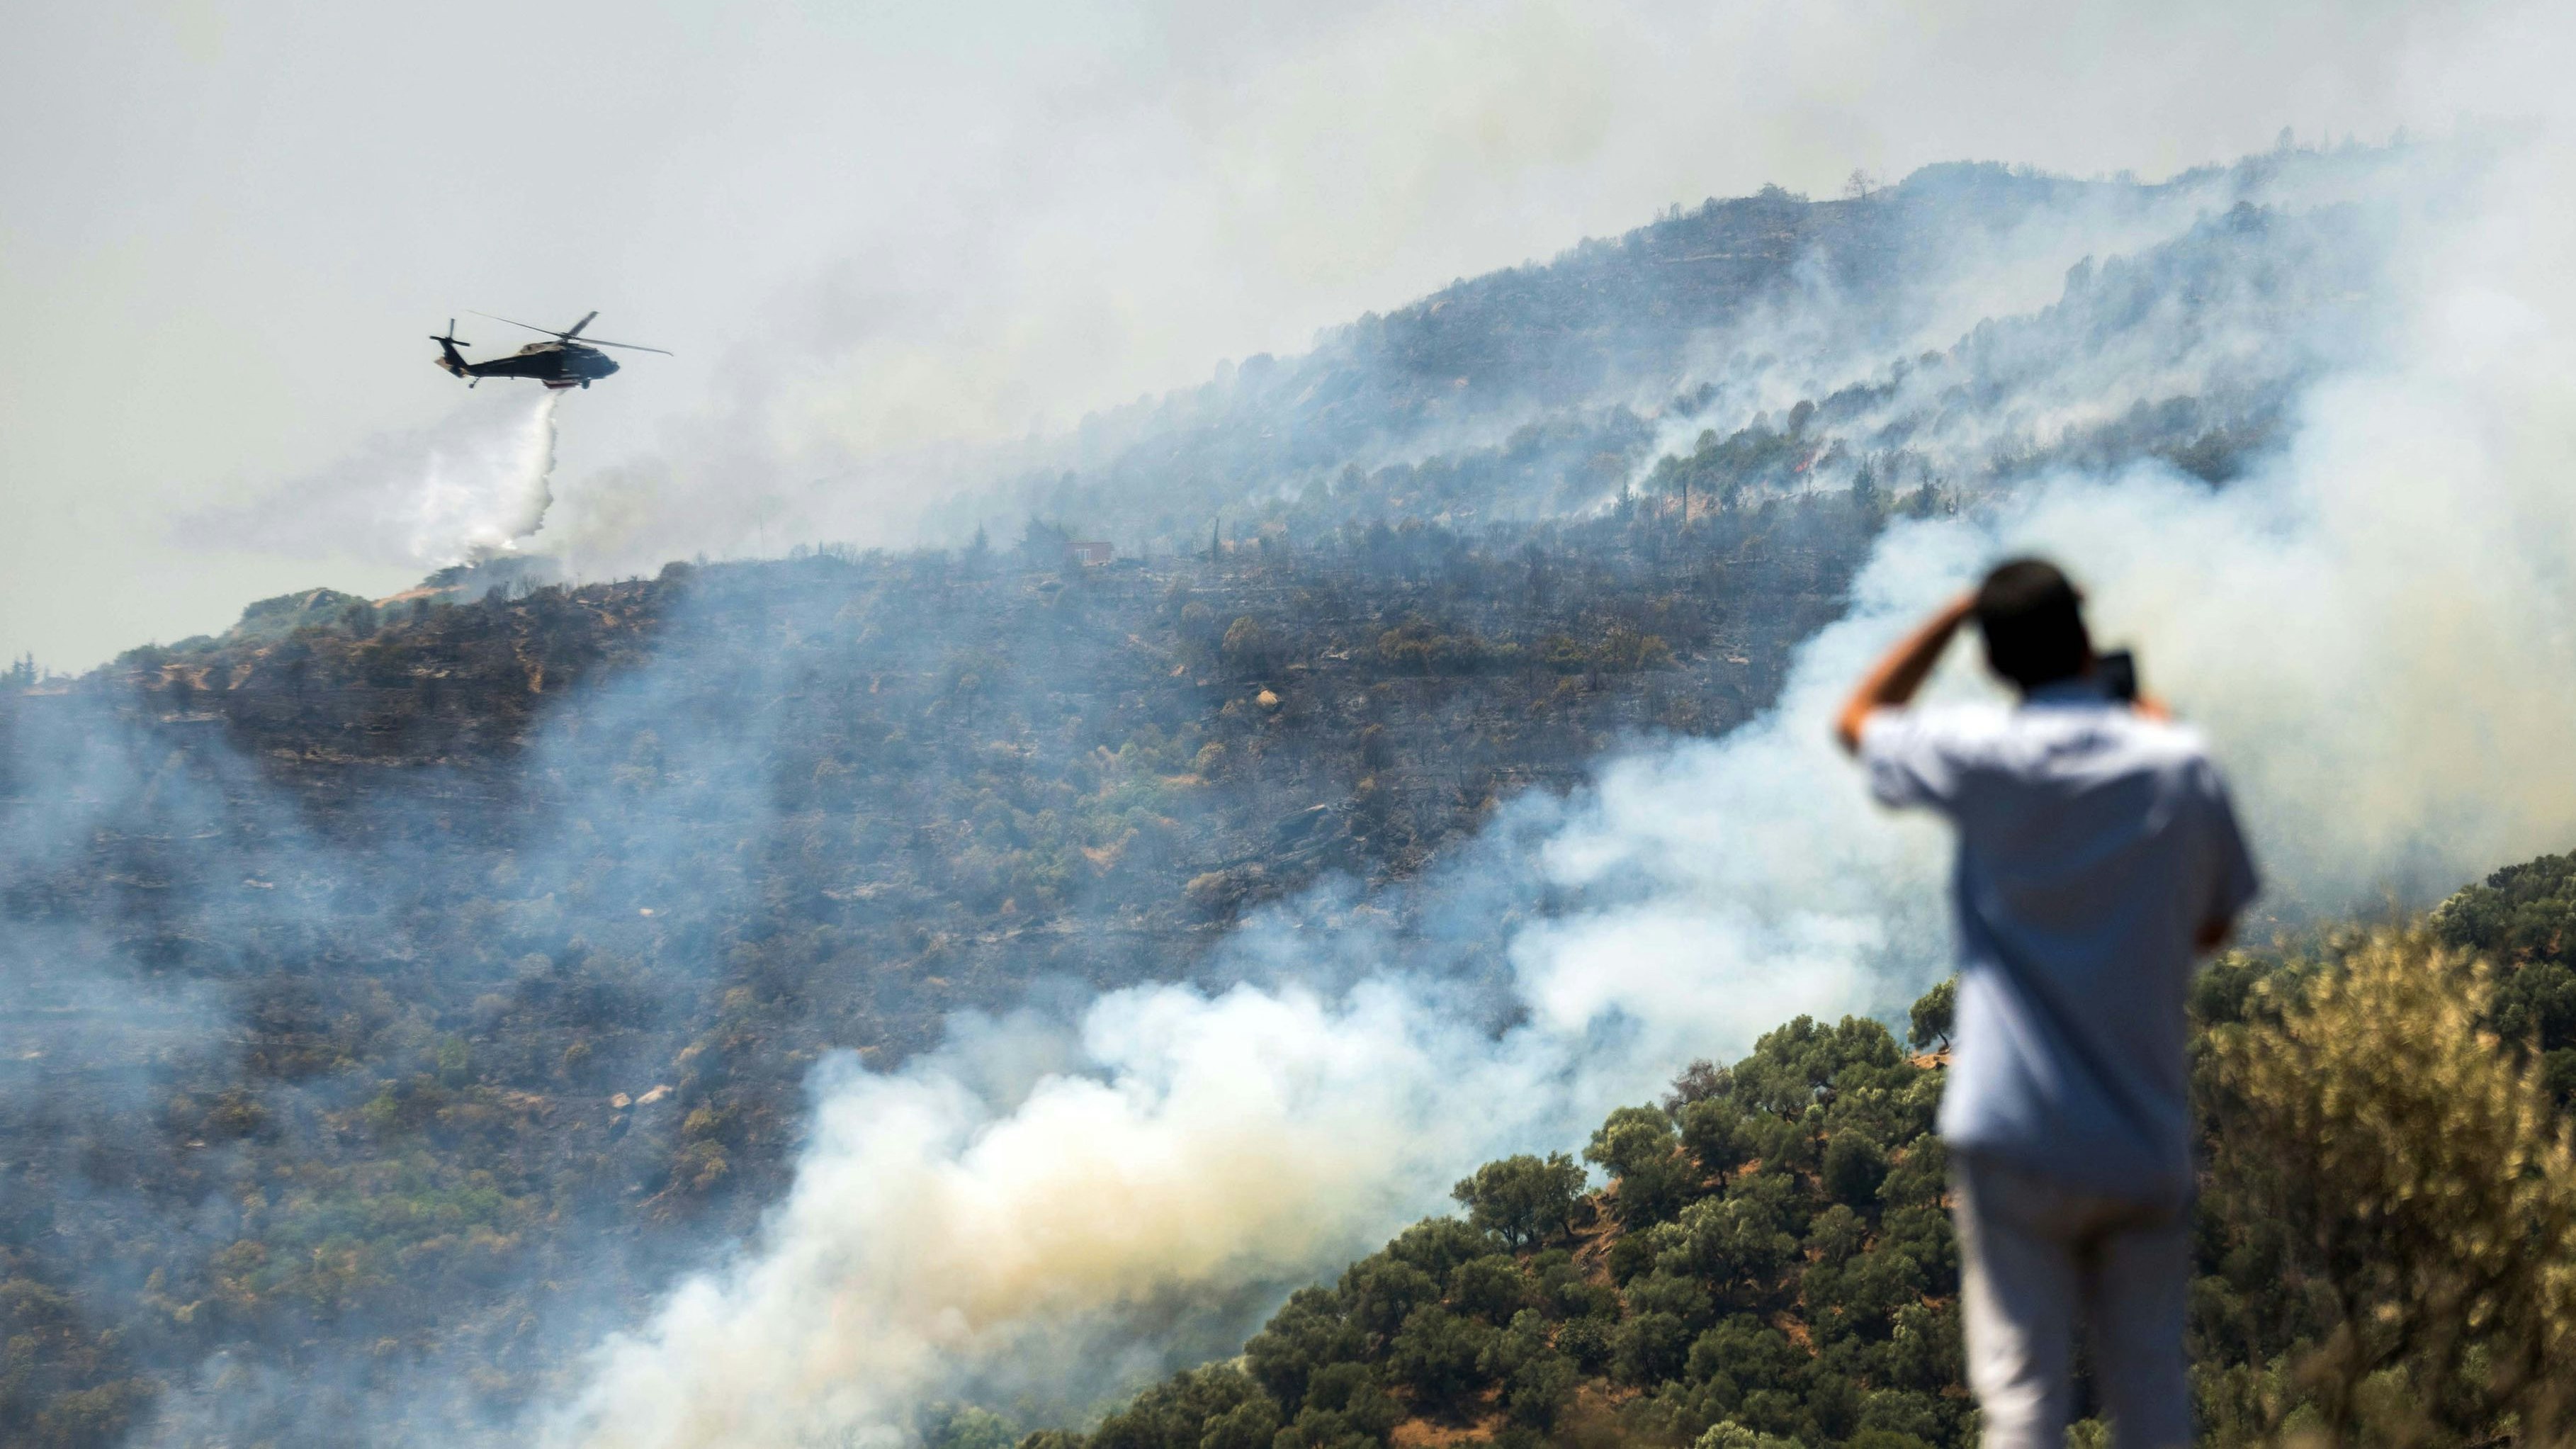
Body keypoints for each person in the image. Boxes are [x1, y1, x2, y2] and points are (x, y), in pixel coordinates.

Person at [1833, 558, 2259, 1449]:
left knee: (2023, 1399)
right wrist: (2140, 708)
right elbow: (2216, 922)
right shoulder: (2176, 761)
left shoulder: (1981, 756)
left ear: (1993, 661)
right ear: (2081, 636)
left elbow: (1859, 720)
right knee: (2150, 1390)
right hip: (2140, 1128)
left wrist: (1956, 610)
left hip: (2012, 1129)